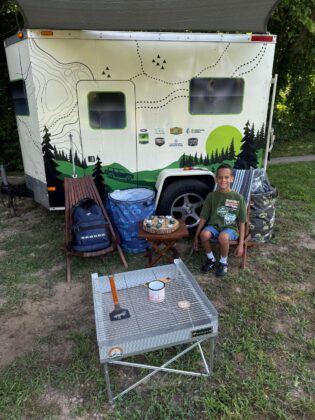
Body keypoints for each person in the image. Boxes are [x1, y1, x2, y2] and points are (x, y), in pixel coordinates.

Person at [193, 163, 246, 277]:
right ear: (216, 179)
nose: (223, 180)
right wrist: (196, 237)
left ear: (231, 179)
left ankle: (223, 262)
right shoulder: (211, 196)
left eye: (226, 177)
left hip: (230, 228)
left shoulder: (238, 198)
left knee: (223, 236)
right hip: (214, 226)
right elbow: (203, 218)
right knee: (204, 235)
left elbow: (242, 222)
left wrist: (241, 244)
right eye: (220, 177)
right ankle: (211, 259)